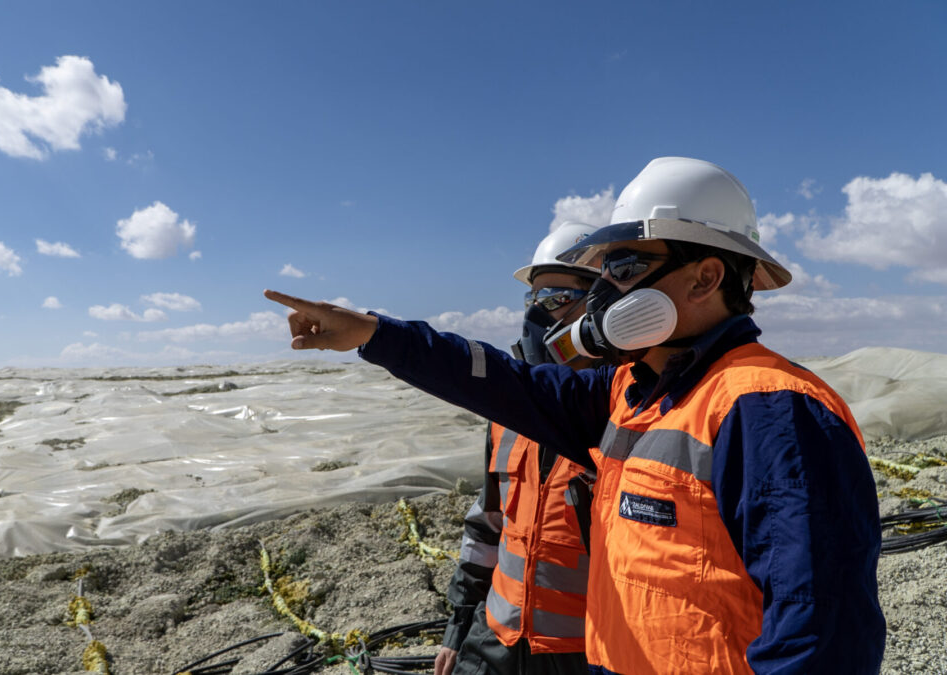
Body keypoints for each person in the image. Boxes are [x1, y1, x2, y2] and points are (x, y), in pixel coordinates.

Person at [265, 156, 886, 674]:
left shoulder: (770, 409)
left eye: (623, 267)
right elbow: (503, 382)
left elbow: (820, 632)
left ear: (705, 277)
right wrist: (374, 334)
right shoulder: (629, 392)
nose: (603, 294)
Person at [437, 222, 599, 675]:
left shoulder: (628, 412)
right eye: (532, 300)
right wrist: (458, 629)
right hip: (495, 639)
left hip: (584, 651)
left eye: (555, 300)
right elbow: (487, 528)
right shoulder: (506, 414)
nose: (536, 316)